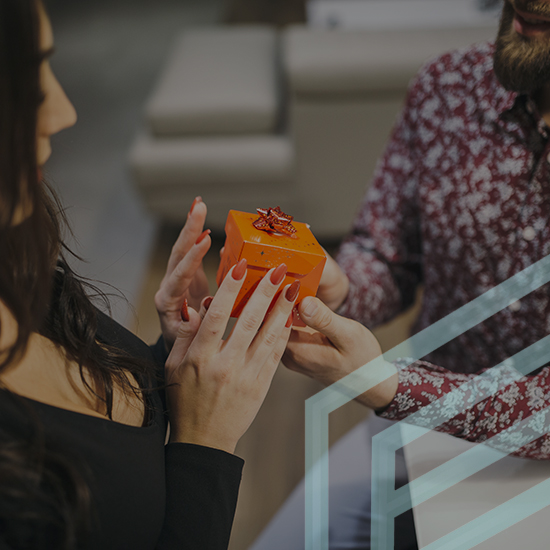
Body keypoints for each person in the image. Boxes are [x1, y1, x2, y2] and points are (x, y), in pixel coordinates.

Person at [0, 1, 301, 548]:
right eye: (24, 80)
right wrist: (206, 441)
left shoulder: (17, 260)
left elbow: (113, 437)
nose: (64, 112)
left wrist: (168, 352)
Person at [250, 0, 550, 548]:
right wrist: (345, 285)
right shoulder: (447, 87)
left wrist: (390, 384)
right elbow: (388, 254)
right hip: (419, 425)